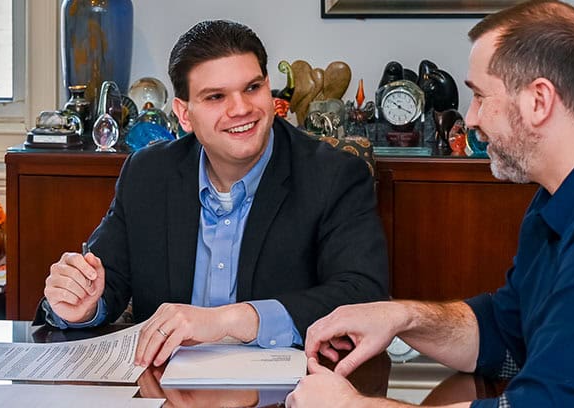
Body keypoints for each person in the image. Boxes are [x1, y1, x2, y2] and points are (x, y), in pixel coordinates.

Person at [286, 1, 574, 407]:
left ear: (538, 100)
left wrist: (352, 405)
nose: (470, 118)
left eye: (479, 96)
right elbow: (505, 335)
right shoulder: (558, 194)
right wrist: (401, 318)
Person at [37, 19, 388, 367]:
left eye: (252, 88)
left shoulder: (334, 174)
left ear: (269, 88)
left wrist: (228, 321)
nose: (241, 109)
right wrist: (81, 306)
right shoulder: (148, 174)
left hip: (287, 392)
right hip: (164, 388)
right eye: (216, 96)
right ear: (184, 114)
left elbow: (362, 294)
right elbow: (106, 282)